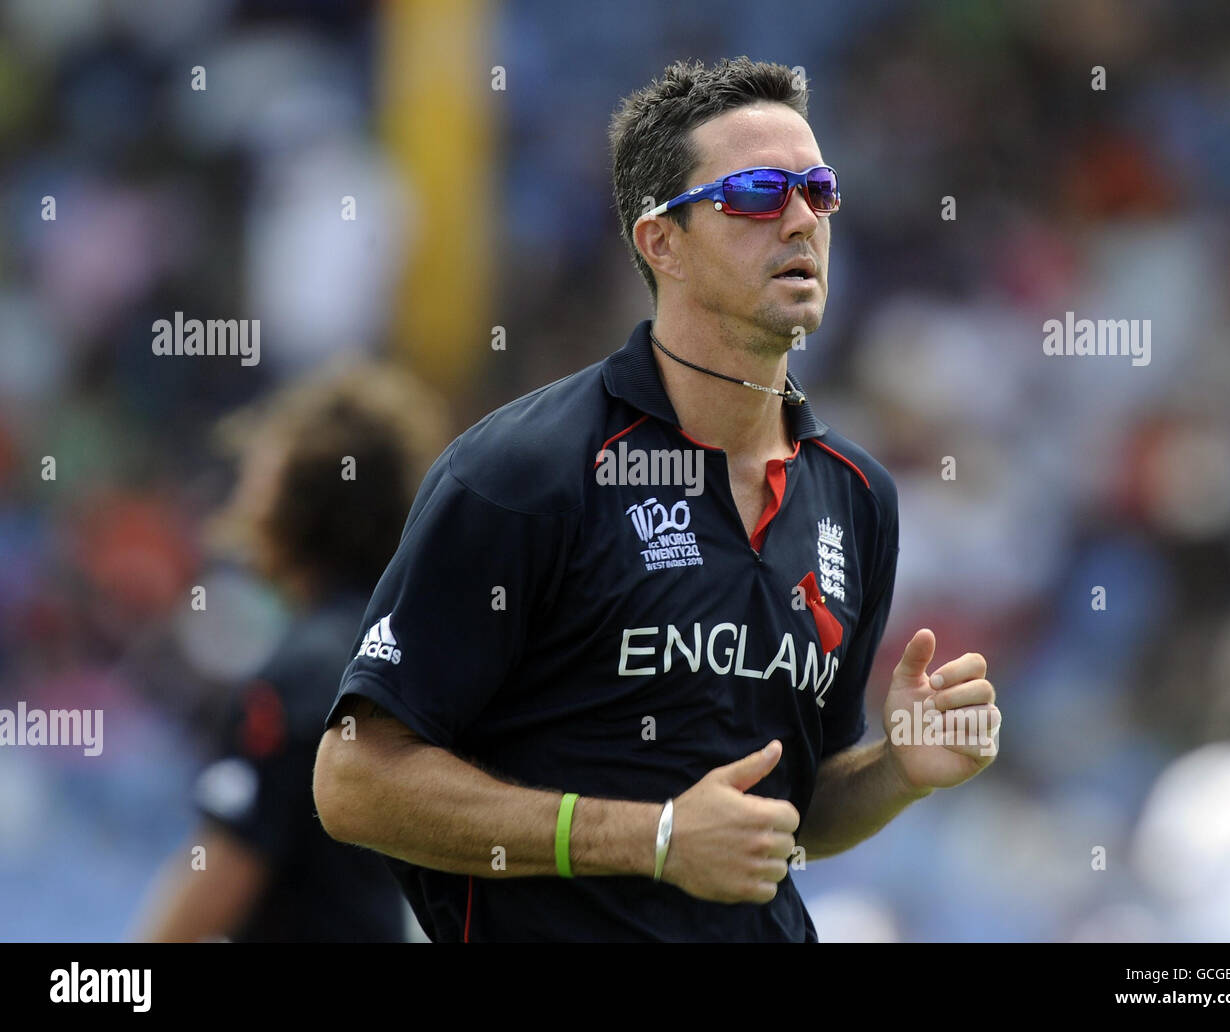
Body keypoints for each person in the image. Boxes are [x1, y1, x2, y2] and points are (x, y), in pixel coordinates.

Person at [313, 56, 1001, 943]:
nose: (800, 219)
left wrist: (898, 772)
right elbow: (355, 781)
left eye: (818, 190)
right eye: (757, 193)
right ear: (661, 243)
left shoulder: (857, 496)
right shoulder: (525, 471)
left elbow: (786, 817)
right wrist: (653, 838)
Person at [134, 361, 446, 942]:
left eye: (260, 474)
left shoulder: (297, 675)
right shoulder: (396, 651)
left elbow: (224, 870)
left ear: (296, 500)